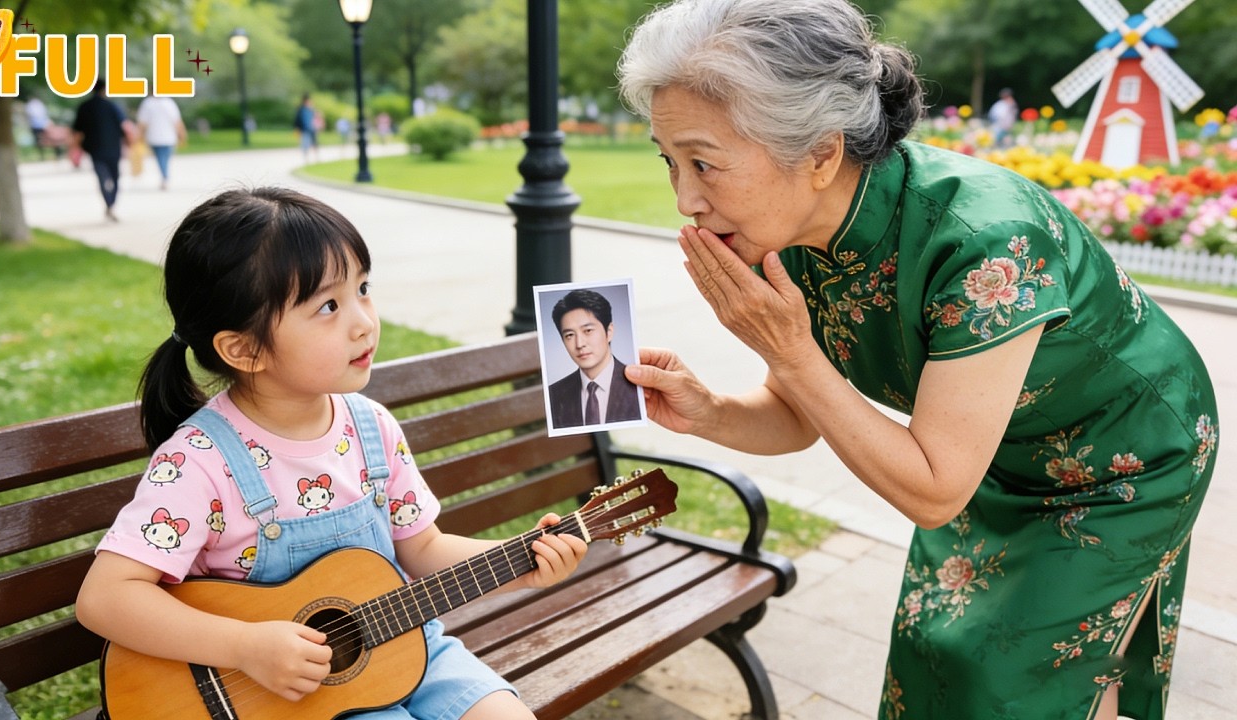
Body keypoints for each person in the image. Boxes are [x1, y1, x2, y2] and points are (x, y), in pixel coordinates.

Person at [615, 1, 1218, 719]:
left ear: (820, 154)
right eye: (670, 161)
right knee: (940, 653)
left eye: (704, 162)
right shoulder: (791, 234)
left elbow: (932, 491)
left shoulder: (986, 241)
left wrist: (790, 350)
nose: (685, 198)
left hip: (1124, 459)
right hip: (983, 454)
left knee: (1021, 677)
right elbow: (796, 414)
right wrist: (709, 411)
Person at [75, 187, 587, 718]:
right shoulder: (201, 461)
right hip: (287, 695)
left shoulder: (372, 430)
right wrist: (244, 648)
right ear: (243, 349)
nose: (363, 320)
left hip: (414, 647)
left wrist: (518, 562)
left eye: (363, 288)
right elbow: (106, 598)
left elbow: (423, 549)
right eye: (328, 305)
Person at [546, 288, 642, 429]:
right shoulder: (553, 395)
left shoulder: (637, 386)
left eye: (588, 331)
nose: (579, 344)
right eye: (569, 335)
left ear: (609, 332)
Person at [71, 78, 130, 221]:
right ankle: (111, 204)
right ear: (105, 89)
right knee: (115, 178)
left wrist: (75, 150)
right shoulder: (112, 106)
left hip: (94, 149)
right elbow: (124, 126)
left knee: (102, 178)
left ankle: (109, 204)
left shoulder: (84, 107)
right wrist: (129, 143)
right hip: (113, 148)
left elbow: (77, 132)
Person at [136, 95, 187, 190]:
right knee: (165, 158)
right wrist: (182, 135)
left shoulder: (147, 103)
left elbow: (142, 122)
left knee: (160, 158)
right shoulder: (169, 103)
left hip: (154, 137)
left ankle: (164, 177)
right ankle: (165, 176)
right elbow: (177, 121)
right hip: (169, 138)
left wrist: (139, 136)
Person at [23, 92, 61, 160]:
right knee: (50, 139)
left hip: (36, 125)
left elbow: (29, 115)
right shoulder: (39, 104)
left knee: (39, 140)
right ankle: (56, 153)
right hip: (43, 124)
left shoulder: (30, 105)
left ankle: (43, 155)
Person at [294, 93, 319, 163]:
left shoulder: (311, 109)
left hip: (312, 129)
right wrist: (297, 129)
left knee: (315, 143)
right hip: (304, 130)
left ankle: (316, 158)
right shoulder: (301, 110)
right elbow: (297, 120)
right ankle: (306, 158)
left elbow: (316, 118)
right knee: (305, 144)